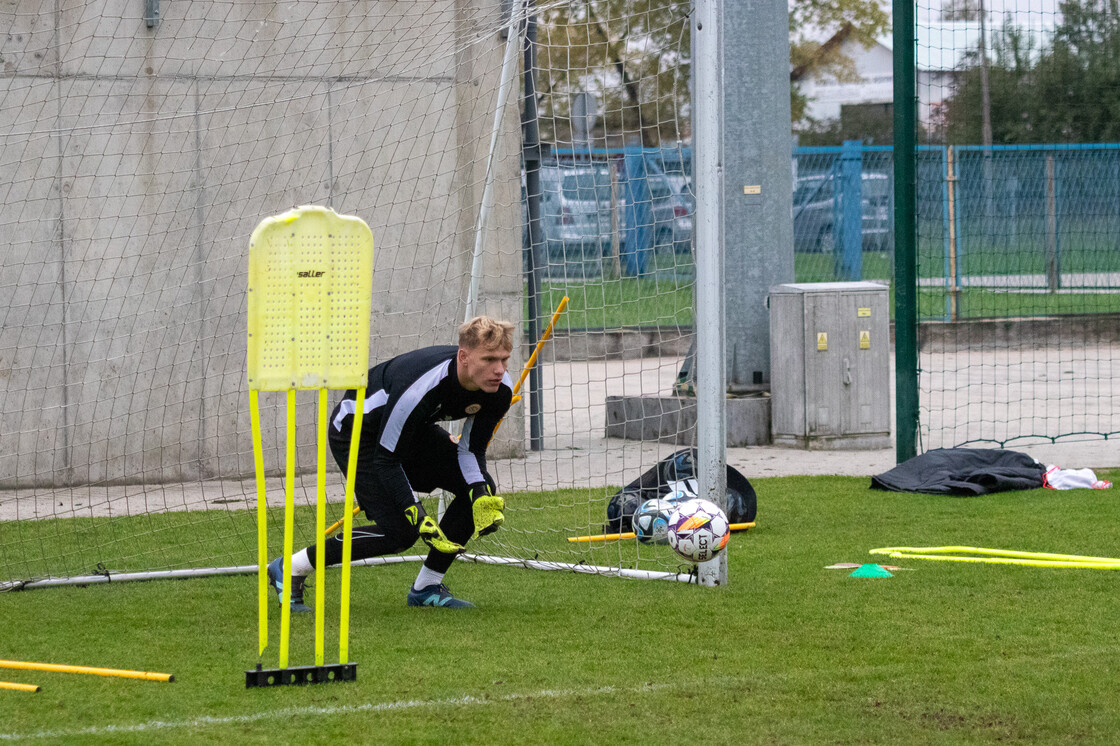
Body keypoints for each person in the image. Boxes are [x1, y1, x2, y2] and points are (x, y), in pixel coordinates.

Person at [266, 316, 513, 610]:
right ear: (464, 356)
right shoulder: (421, 387)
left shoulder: (499, 389)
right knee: (400, 532)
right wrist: (417, 513)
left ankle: (426, 588)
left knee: (479, 488)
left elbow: (470, 452)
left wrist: (480, 495)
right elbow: (386, 460)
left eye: (504, 359)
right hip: (359, 435)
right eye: (489, 359)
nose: (499, 369)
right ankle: (293, 566)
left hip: (411, 433)